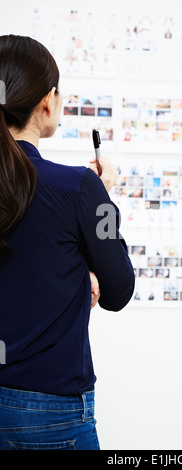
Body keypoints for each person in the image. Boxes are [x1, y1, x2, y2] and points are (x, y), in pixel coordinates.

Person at [0, 35, 135, 450]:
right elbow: (119, 289)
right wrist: (103, 198)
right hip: (51, 409)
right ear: (46, 101)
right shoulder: (80, 188)